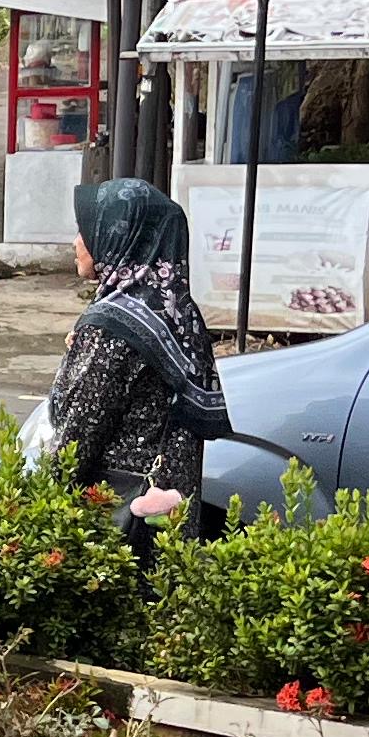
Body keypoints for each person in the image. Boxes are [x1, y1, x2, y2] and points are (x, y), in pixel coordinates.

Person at [46, 175, 229, 533]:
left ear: (118, 237)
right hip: (171, 516)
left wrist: (30, 507)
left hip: (117, 522)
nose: (76, 242)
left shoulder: (112, 327)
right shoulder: (180, 312)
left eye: (87, 231)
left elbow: (76, 442)